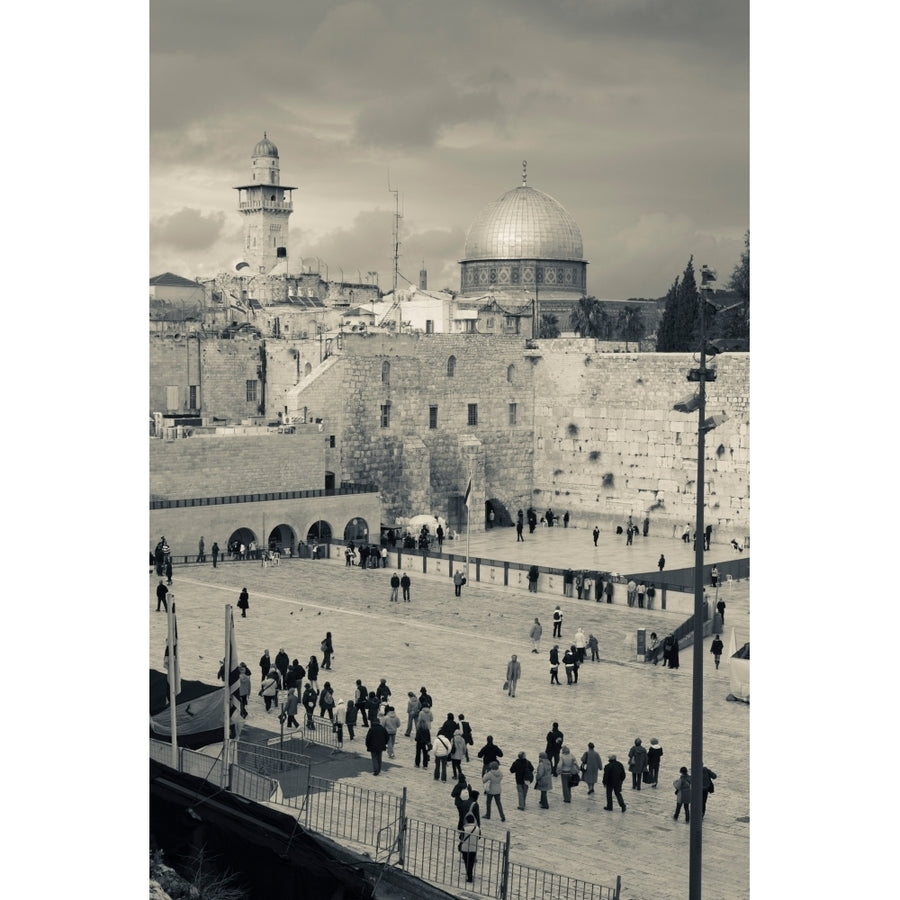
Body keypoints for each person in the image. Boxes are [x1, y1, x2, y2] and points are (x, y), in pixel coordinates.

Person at [458, 812, 481, 883]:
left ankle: (469, 876)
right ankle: (470, 875)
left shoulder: (464, 828)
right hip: (474, 848)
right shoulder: (477, 828)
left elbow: (461, 837)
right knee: (471, 862)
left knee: (466, 862)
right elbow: (479, 837)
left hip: (465, 848)